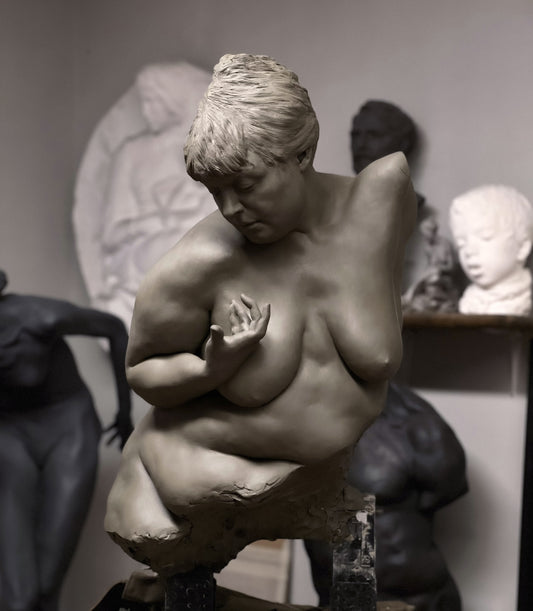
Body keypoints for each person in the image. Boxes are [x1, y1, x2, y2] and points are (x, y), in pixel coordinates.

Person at [105, 54, 417, 579]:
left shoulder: (381, 200)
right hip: (200, 484)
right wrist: (211, 368)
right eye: (215, 192)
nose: (230, 209)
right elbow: (141, 370)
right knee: (166, 551)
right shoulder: (199, 265)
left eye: (245, 185)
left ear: (303, 154)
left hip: (321, 485)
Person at [0, 269, 132, 611]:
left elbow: (114, 328)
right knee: (19, 598)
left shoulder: (39, 316)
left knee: (47, 584)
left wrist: (124, 412)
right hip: (9, 431)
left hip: (66, 425)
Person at [305, 383, 467, 610]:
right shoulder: (300, 415)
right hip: (340, 597)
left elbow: (446, 489)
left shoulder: (411, 420)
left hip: (414, 600)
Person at [100, 62, 215, 327]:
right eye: (144, 102)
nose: (146, 111)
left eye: (153, 101)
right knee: (166, 252)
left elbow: (221, 211)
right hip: (145, 250)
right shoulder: (130, 154)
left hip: (197, 240)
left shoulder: (206, 148)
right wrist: (153, 223)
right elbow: (113, 235)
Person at [450, 184, 533, 315]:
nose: (469, 251)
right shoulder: (468, 302)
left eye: (485, 237)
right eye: (461, 244)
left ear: (522, 248)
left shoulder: (527, 298)